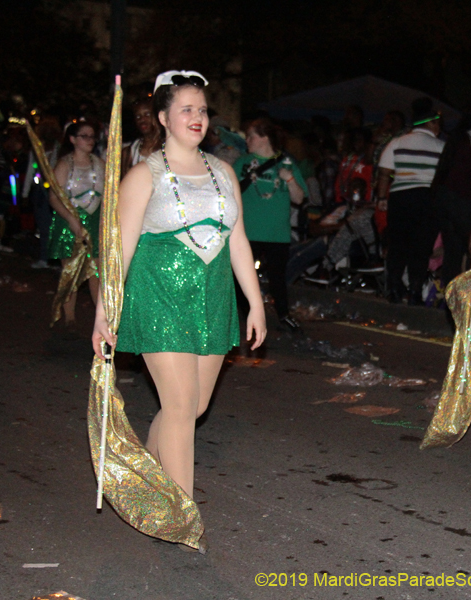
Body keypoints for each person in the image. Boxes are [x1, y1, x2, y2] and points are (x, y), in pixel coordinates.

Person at [92, 70, 266, 553]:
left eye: (202, 109)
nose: (196, 117)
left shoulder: (224, 171)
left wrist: (255, 302)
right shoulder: (143, 174)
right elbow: (120, 249)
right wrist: (105, 311)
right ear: (164, 117)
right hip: (159, 297)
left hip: (212, 300)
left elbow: (238, 240)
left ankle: (146, 477)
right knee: (181, 408)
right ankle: (183, 517)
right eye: (186, 109)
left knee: (192, 408)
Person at [233, 117, 308, 331]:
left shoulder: (287, 163)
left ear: (265, 137)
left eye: (251, 136)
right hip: (247, 232)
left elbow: (299, 198)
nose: (247, 140)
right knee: (239, 276)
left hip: (277, 233)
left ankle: (283, 314)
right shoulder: (242, 163)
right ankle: (248, 315)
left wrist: (290, 179)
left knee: (277, 278)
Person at [376, 97, 445, 304]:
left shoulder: (397, 142)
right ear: (431, 124)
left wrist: (381, 197)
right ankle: (415, 291)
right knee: (421, 247)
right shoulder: (442, 146)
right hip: (428, 199)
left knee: (398, 244)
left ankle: (394, 289)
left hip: (402, 198)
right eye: (437, 124)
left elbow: (384, 172)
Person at [48, 120, 104, 326]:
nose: (90, 140)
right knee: (71, 271)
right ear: (73, 139)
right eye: (84, 136)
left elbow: (108, 196)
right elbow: (54, 197)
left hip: (95, 220)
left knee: (97, 272)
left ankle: (102, 320)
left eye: (92, 136)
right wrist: (72, 220)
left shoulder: (100, 164)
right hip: (70, 220)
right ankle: (69, 319)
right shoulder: (64, 165)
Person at [431, 110, 471, 287]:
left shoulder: (459, 138)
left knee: (454, 250)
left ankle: (449, 295)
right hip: (461, 202)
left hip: (449, 201)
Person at [22, 114, 62, 269]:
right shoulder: (37, 150)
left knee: (57, 226)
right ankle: (46, 258)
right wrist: (25, 194)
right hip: (41, 192)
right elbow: (31, 171)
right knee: (44, 227)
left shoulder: (60, 150)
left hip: (56, 191)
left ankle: (57, 259)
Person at [122, 97, 162, 172]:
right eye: (138, 116)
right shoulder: (129, 152)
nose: (142, 120)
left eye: (147, 114)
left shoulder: (167, 146)